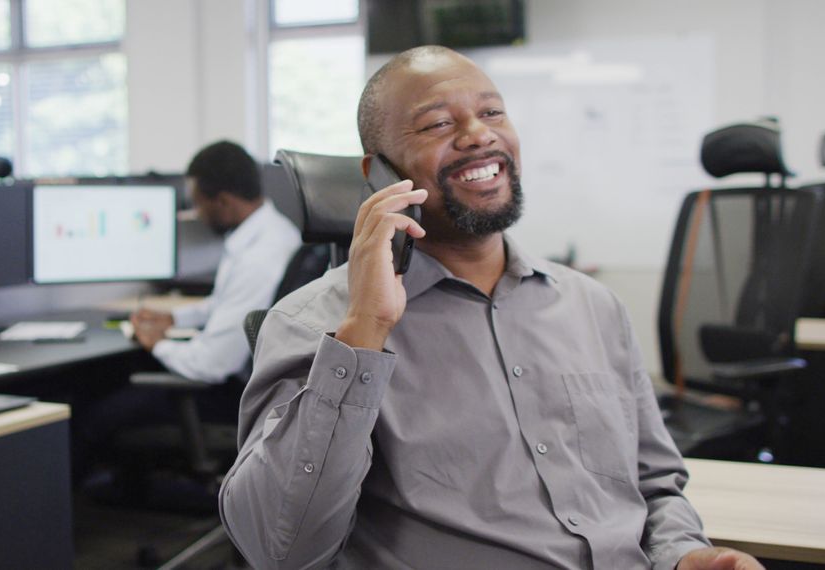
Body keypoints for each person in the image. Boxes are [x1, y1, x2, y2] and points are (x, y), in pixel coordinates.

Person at [218, 47, 763, 570]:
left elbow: (654, 485)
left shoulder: (593, 308)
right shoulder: (310, 323)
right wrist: (365, 331)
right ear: (378, 172)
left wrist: (683, 553)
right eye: (437, 125)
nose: (478, 135)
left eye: (492, 112)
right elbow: (279, 550)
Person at [75, 140, 301, 483]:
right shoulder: (270, 233)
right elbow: (227, 304)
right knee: (109, 380)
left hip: (228, 397)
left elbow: (212, 364)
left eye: (198, 203)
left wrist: (157, 343)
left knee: (91, 416)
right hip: (246, 382)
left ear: (223, 201)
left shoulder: (259, 258)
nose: (196, 213)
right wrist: (175, 319)